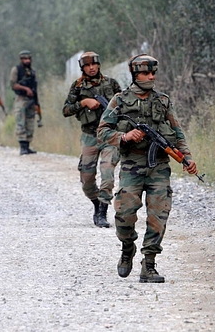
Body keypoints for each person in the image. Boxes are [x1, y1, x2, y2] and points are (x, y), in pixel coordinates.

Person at [97, 54, 198, 283]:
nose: (151, 77)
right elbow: (102, 132)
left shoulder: (162, 101)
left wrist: (187, 158)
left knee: (159, 215)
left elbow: (177, 132)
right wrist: (125, 136)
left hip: (159, 167)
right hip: (132, 167)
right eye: (146, 73)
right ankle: (127, 247)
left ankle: (149, 265)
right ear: (135, 74)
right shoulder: (119, 101)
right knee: (124, 215)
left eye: (153, 73)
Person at [63, 51, 122, 228]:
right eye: (87, 65)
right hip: (89, 136)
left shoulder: (111, 84)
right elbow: (66, 110)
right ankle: (96, 203)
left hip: (110, 135)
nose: (91, 68)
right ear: (83, 68)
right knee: (87, 178)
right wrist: (84, 103)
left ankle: (103, 212)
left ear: (98, 65)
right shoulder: (78, 87)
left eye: (93, 64)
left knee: (107, 172)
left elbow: (124, 106)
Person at [9, 50, 39, 155]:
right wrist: (26, 89)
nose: (27, 61)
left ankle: (27, 146)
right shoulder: (16, 70)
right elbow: (13, 85)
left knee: (30, 122)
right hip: (21, 98)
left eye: (28, 59)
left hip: (31, 100)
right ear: (21, 60)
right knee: (21, 121)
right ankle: (22, 147)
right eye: (25, 59)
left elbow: (35, 88)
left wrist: (36, 103)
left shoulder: (32, 72)